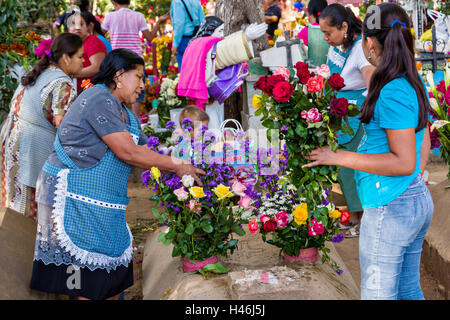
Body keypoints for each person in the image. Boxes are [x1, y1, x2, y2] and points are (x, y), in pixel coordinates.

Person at [29, 48, 205, 300]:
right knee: (85, 283)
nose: (143, 85)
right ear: (120, 75)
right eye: (140, 77)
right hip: (73, 198)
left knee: (109, 277)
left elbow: (146, 149)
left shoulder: (125, 113)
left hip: (101, 203)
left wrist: (184, 156)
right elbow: (127, 151)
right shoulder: (98, 98)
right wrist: (178, 165)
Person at [304, 2, 433, 300]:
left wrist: (337, 156)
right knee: (407, 288)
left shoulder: (391, 89)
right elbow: (423, 138)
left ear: (370, 42)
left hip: (391, 205)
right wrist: (413, 181)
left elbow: (402, 162)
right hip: (411, 198)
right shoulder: (411, 81)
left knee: (378, 294)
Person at [0, 33, 84, 219]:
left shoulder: (42, 72)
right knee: (31, 204)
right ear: (65, 58)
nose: (83, 62)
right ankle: (24, 246)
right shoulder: (63, 82)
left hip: (10, 139)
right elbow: (64, 126)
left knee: (12, 200)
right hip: (29, 145)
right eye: (79, 56)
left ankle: (9, 242)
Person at [319, 3, 376, 237]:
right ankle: (354, 217)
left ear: (344, 26)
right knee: (342, 169)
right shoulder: (339, 46)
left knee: (350, 167)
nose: (325, 38)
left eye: (328, 33)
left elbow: (372, 82)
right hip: (339, 114)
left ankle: (361, 221)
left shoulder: (360, 49)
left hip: (354, 117)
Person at [101, 0, 169, 115]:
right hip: (136, 60)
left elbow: (99, 33)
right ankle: (136, 125)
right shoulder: (138, 16)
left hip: (118, 60)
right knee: (136, 93)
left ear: (113, 2)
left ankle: (120, 122)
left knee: (118, 91)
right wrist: (159, 22)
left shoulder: (110, 17)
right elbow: (150, 37)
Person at [66, 11, 107, 95]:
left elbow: (97, 68)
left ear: (87, 27)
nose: (77, 28)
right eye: (73, 24)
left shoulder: (93, 41)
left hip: (92, 92)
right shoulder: (68, 43)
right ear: (68, 28)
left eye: (81, 24)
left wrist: (71, 74)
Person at [170, 0, 205, 70]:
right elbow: (202, 20)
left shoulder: (177, 2)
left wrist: (175, 44)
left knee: (185, 72)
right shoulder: (196, 1)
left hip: (183, 41)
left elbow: (179, 24)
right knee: (196, 70)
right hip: (196, 38)